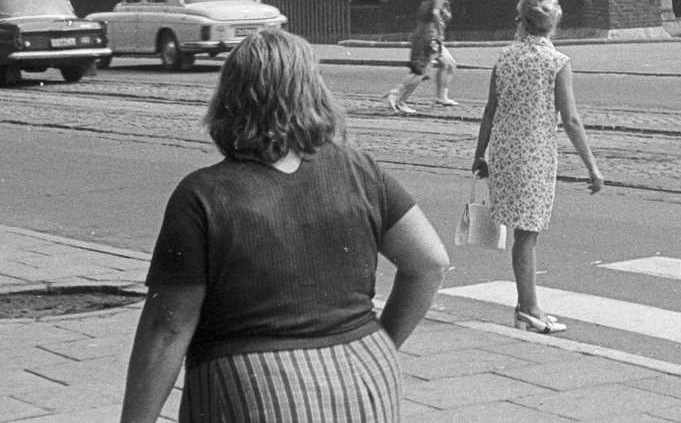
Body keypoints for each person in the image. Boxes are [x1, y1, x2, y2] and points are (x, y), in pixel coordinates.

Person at [121, 31, 449, 423]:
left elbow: (167, 329)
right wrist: (380, 343)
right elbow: (430, 262)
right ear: (314, 91)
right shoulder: (361, 170)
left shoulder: (202, 196)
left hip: (255, 392)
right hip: (365, 381)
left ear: (230, 98)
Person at [472, 0, 604, 333]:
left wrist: (479, 153)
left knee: (523, 234)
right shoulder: (557, 62)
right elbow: (571, 119)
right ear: (554, 23)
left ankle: (525, 306)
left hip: (503, 151)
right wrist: (591, 166)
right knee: (527, 235)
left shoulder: (505, 57)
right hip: (534, 154)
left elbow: (489, 110)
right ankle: (529, 309)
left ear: (523, 19)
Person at [385, 0, 460, 113]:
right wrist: (441, 32)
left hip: (424, 34)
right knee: (421, 71)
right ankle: (398, 97)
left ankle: (441, 97)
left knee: (448, 63)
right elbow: (435, 14)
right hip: (430, 35)